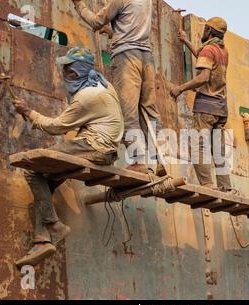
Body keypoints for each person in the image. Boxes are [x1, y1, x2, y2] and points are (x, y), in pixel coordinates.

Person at [12, 47, 124, 267]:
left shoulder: (86, 96)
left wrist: (28, 112)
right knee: (47, 181)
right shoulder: (102, 83)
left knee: (32, 170)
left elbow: (56, 127)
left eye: (68, 70)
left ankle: (55, 225)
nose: (64, 74)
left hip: (93, 146)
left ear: (77, 72)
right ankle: (42, 240)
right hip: (105, 149)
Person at [72, 0, 166, 176]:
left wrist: (79, 5)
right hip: (146, 57)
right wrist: (113, 32)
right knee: (150, 111)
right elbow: (130, 22)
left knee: (128, 111)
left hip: (126, 58)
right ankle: (160, 159)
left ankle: (138, 161)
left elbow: (96, 21)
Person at [170, 17, 236, 193]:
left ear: (210, 31)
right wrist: (185, 40)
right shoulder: (223, 51)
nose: (203, 32)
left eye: (205, 29)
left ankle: (207, 184)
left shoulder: (208, 50)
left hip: (206, 106)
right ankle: (225, 186)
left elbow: (203, 77)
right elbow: (203, 57)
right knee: (218, 151)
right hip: (221, 108)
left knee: (198, 146)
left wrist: (180, 89)